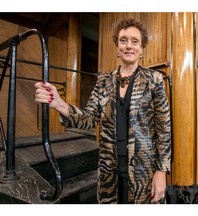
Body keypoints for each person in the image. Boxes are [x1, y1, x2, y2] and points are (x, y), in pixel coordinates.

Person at [35, 18, 171, 204]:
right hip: (109, 169)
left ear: (141, 48)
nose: (128, 46)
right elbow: (90, 118)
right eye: (123, 40)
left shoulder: (154, 80)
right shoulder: (104, 81)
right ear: (117, 47)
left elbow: (164, 130)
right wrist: (59, 103)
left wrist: (161, 172)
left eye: (134, 41)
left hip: (143, 170)